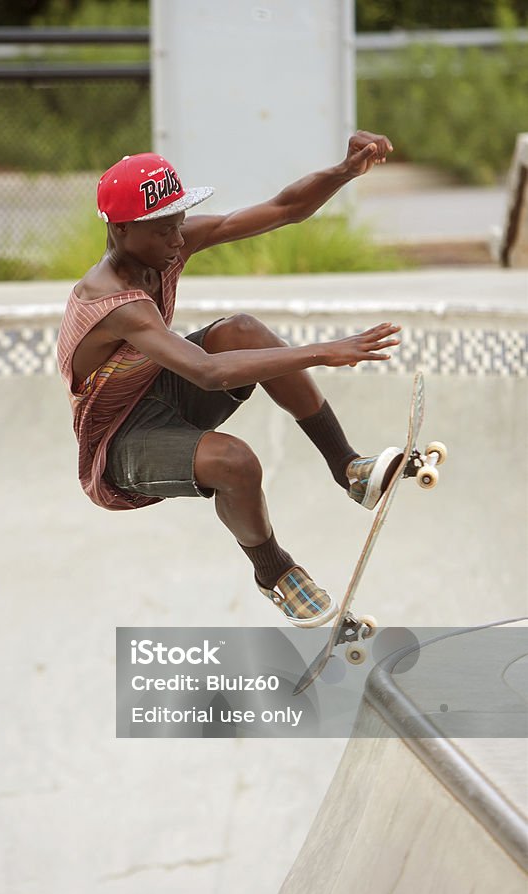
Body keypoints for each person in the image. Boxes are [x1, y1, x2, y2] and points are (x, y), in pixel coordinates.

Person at [57, 132, 403, 627]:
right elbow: (208, 372)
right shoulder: (112, 302)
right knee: (236, 461)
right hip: (118, 445)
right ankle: (275, 573)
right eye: (163, 233)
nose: (178, 241)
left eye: (180, 225)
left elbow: (284, 208)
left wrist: (344, 170)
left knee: (242, 330)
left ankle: (349, 468)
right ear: (123, 230)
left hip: (159, 387)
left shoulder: (166, 246)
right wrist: (325, 351)